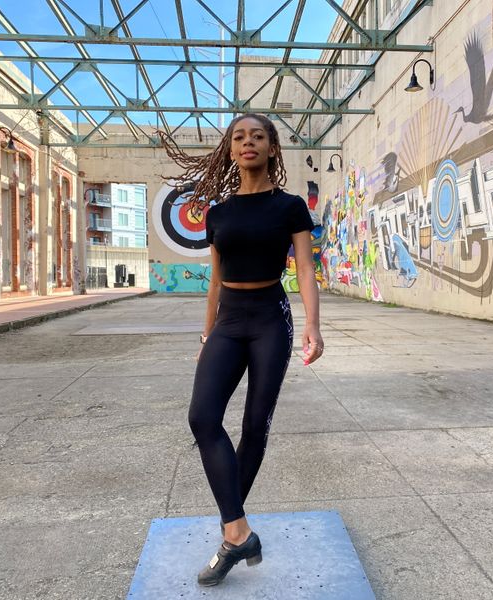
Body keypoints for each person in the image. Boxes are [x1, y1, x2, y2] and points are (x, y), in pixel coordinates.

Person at [159, 113, 324, 587]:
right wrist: (206, 336)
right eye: (238, 137)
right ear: (230, 150)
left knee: (255, 425)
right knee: (202, 418)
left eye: (257, 136)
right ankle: (238, 529)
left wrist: (313, 325)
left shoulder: (290, 206)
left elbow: (306, 271)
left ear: (272, 148)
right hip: (229, 320)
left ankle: (233, 532)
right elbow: (214, 281)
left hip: (272, 318)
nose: (247, 142)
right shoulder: (219, 213)